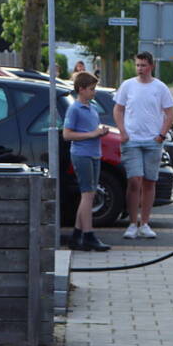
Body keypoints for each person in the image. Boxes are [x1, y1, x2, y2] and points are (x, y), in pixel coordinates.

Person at [113, 51, 173, 239]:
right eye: (138, 65)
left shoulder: (160, 87)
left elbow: (169, 113)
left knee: (150, 181)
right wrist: (123, 131)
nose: (140, 69)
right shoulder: (127, 85)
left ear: (151, 66)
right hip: (132, 141)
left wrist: (161, 135)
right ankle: (132, 223)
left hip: (152, 141)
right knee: (134, 180)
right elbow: (118, 109)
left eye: (143, 65)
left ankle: (145, 222)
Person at [63, 71, 111, 252]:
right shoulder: (74, 109)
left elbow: (90, 129)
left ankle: (77, 236)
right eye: (91, 89)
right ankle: (89, 235)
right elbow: (67, 134)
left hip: (94, 154)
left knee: (88, 194)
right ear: (81, 90)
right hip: (82, 154)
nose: (94, 92)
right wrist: (92, 134)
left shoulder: (91, 108)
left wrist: (100, 131)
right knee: (88, 194)